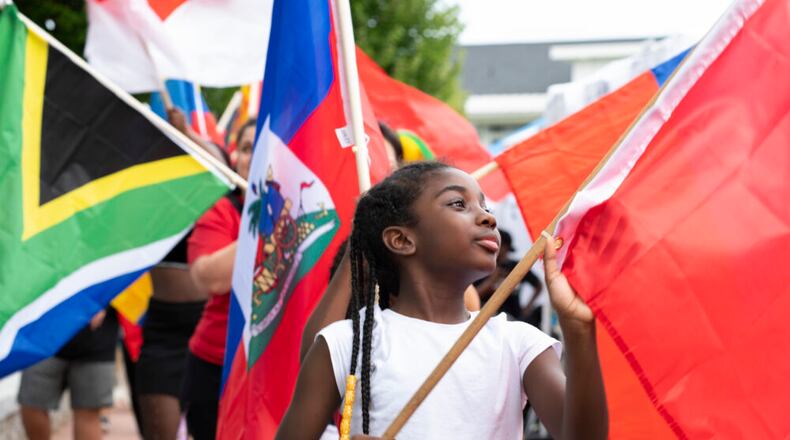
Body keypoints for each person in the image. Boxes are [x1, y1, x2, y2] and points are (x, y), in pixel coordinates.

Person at [277, 162, 607, 439]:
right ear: (401, 239)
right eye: (458, 204)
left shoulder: (517, 343)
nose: (488, 218)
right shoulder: (346, 342)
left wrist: (579, 330)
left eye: (485, 206)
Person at [132, 108, 233, 440]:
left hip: (209, 324)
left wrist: (185, 133)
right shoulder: (148, 193)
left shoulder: (223, 193)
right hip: (163, 328)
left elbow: (220, 162)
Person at [179, 120, 255, 440]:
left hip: (281, 365)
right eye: (248, 147)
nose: (255, 154)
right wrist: (262, 219)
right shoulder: (222, 210)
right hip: (217, 366)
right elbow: (210, 279)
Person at [18, 308, 119, 440]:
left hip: (97, 341)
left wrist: (102, 299)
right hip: (45, 336)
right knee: (31, 402)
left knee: (88, 411)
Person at [475, 229, 543, 324]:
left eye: (505, 247)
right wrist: (491, 281)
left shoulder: (516, 266)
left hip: (513, 317)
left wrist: (528, 307)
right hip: (485, 317)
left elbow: (538, 285)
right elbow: (474, 296)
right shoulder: (482, 266)